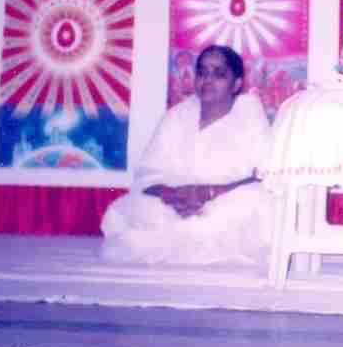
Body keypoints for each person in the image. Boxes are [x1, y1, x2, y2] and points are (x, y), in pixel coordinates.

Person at [100, 45, 274, 265]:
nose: (207, 80)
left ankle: (175, 239)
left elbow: (264, 173)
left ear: (237, 84)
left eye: (219, 74)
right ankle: (192, 237)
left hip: (226, 198)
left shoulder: (250, 113)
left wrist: (209, 192)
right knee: (129, 207)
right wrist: (171, 195)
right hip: (176, 201)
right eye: (202, 72)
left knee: (258, 203)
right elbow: (148, 172)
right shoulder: (177, 116)